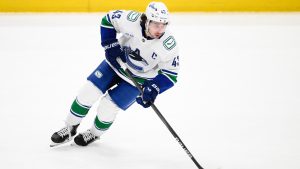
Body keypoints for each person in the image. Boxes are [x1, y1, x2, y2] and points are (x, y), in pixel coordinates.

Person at [50, 1, 179, 147]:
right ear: (146, 20)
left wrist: (154, 87)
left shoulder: (168, 44)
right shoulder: (132, 20)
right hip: (116, 63)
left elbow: (171, 75)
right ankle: (69, 127)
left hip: (140, 78)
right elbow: (108, 19)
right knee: (88, 92)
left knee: (108, 107)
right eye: (156, 24)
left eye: (164, 25)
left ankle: (94, 133)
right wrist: (110, 44)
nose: (160, 29)